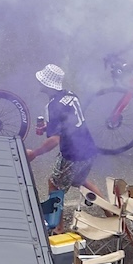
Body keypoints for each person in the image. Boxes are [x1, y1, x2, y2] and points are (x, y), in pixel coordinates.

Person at [26, 64, 99, 195]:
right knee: (80, 180)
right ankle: (110, 211)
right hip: (88, 148)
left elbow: (54, 140)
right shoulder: (71, 95)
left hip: (73, 155)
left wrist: (34, 153)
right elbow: (69, 123)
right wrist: (49, 127)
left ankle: (53, 216)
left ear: (46, 84)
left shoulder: (53, 106)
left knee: (54, 186)